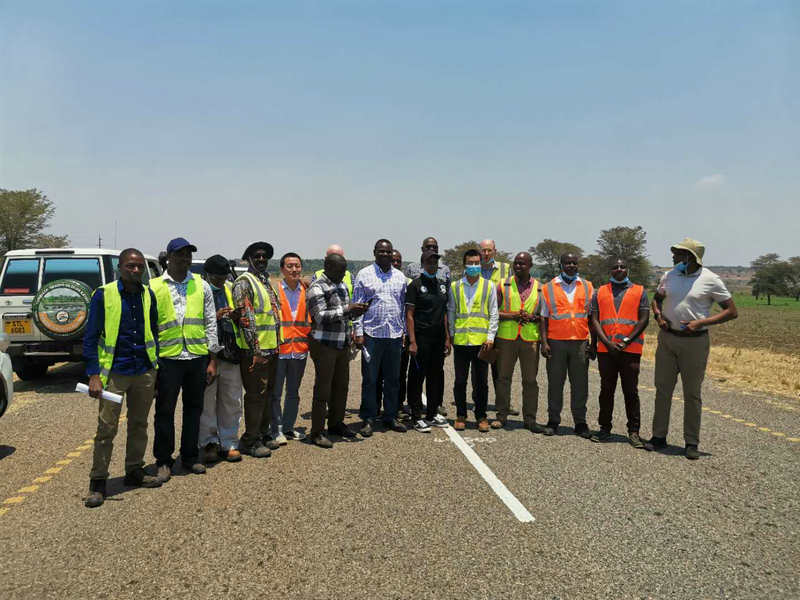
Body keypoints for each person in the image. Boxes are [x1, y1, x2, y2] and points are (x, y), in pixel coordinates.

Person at [83, 248, 161, 508]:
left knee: (139, 424)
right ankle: (98, 482)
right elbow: (90, 337)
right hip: (114, 373)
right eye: (130, 266)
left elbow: (153, 332)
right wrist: (94, 374)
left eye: (139, 266)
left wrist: (155, 369)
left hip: (144, 371)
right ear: (120, 267)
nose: (136, 270)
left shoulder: (148, 294)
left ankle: (134, 470)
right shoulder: (103, 295)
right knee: (106, 429)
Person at [647, 238, 737, 459]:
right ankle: (658, 436)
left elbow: (731, 311)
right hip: (667, 339)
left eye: (678, 253)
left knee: (692, 394)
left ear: (690, 257)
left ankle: (691, 442)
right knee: (662, 389)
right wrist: (658, 317)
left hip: (695, 342)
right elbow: (656, 300)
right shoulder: (669, 276)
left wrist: (701, 323)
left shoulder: (710, 280)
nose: (674, 257)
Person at [150, 238, 220, 483]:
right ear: (169, 257)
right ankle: (163, 460)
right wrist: (153, 363)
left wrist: (212, 360)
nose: (185, 259)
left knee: (194, 410)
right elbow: (150, 327)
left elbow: (210, 323)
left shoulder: (201, 285)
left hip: (196, 357)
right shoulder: (154, 287)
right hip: (167, 359)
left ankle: (189, 456)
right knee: (164, 411)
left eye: (188, 254)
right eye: (180, 254)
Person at [306, 254, 369, 447]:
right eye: (340, 271)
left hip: (342, 343)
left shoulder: (341, 285)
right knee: (323, 389)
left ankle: (336, 424)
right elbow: (320, 316)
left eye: (344, 271)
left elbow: (344, 315)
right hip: (324, 345)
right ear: (327, 267)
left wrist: (356, 312)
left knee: (341, 387)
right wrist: (348, 309)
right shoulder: (317, 287)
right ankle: (317, 432)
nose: (343, 274)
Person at [588, 258, 649, 449]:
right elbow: (594, 320)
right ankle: (604, 428)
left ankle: (634, 431)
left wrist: (625, 341)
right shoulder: (599, 292)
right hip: (606, 350)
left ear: (627, 269)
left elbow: (644, 319)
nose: (619, 269)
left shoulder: (640, 291)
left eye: (623, 266)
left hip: (630, 350)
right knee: (606, 390)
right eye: (615, 267)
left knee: (631, 391)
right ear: (610, 270)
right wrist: (605, 343)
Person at [353, 239, 409, 436]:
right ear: (374, 252)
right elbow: (357, 305)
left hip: (394, 335)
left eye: (388, 252)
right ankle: (368, 418)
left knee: (393, 379)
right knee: (370, 379)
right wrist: (359, 332)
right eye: (381, 251)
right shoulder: (364, 274)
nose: (385, 254)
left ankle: (390, 416)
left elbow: (403, 307)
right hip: (372, 335)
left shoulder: (400, 277)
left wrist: (404, 332)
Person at [233, 241, 281, 458]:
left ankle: (262, 434)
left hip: (271, 349)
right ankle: (250, 440)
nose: (262, 259)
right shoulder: (244, 282)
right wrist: (255, 351)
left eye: (264, 256)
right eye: (257, 256)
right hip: (256, 352)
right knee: (255, 396)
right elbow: (247, 319)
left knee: (267, 394)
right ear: (249, 259)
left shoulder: (265, 281)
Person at [539, 253, 595, 438]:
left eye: (574, 263)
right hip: (556, 343)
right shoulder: (548, 288)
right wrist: (544, 342)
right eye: (567, 263)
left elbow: (592, 317)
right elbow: (543, 317)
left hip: (580, 342)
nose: (571, 265)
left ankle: (580, 422)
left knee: (580, 385)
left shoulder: (587, 286)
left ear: (578, 265)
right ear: (561, 265)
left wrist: (593, 342)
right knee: (555, 384)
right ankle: (553, 421)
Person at [198, 255, 245, 464]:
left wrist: (234, 317)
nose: (220, 280)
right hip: (207, 355)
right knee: (207, 402)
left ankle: (229, 442)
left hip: (230, 353)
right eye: (216, 277)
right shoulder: (199, 291)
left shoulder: (230, 289)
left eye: (224, 276)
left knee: (231, 399)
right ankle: (209, 443)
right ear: (207, 274)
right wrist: (215, 317)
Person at [492, 252, 545, 431]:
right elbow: (494, 312)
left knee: (530, 381)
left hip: (530, 340)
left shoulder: (540, 288)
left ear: (530, 266)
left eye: (522, 263)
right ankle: (501, 415)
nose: (518, 266)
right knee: (503, 378)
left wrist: (532, 317)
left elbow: (544, 316)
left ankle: (530, 419)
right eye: (516, 263)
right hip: (506, 339)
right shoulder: (503, 285)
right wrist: (513, 316)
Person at [448, 248, 499, 432]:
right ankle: (461, 415)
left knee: (481, 383)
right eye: (470, 263)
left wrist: (490, 337)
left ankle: (481, 416)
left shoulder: (489, 286)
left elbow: (494, 313)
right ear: (464, 264)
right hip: (461, 341)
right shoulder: (455, 287)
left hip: (481, 343)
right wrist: (451, 334)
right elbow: (452, 312)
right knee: (460, 381)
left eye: (477, 263)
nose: (474, 266)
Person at [406, 249, 451, 431]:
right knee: (417, 378)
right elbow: (409, 315)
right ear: (423, 264)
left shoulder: (441, 285)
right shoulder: (415, 285)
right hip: (421, 338)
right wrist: (412, 341)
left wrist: (447, 337)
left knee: (435, 377)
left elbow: (444, 313)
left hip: (438, 339)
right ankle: (416, 416)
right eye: (429, 262)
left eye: (435, 262)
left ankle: (432, 414)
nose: (432, 265)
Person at [270, 252, 311, 444]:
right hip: (280, 350)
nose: (294, 270)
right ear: (282, 269)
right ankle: (276, 429)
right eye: (290, 266)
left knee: (293, 393)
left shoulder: (307, 290)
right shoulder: (275, 291)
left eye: (297, 266)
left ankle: (288, 427)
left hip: (300, 350)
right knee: (276, 393)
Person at [479, 238, 517, 415]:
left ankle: (503, 404)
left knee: (500, 369)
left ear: (495, 251)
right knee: (479, 366)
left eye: (489, 250)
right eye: (483, 250)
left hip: (500, 323)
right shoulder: (474, 268)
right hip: (479, 324)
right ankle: (479, 401)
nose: (486, 253)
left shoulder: (505, 269)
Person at [376, 249, 411, 419]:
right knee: (376, 376)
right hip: (377, 335)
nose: (396, 263)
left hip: (398, 336)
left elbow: (406, 309)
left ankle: (396, 408)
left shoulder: (404, 281)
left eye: (399, 261)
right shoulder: (375, 278)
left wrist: (405, 332)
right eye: (393, 260)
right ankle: (374, 409)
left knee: (398, 375)